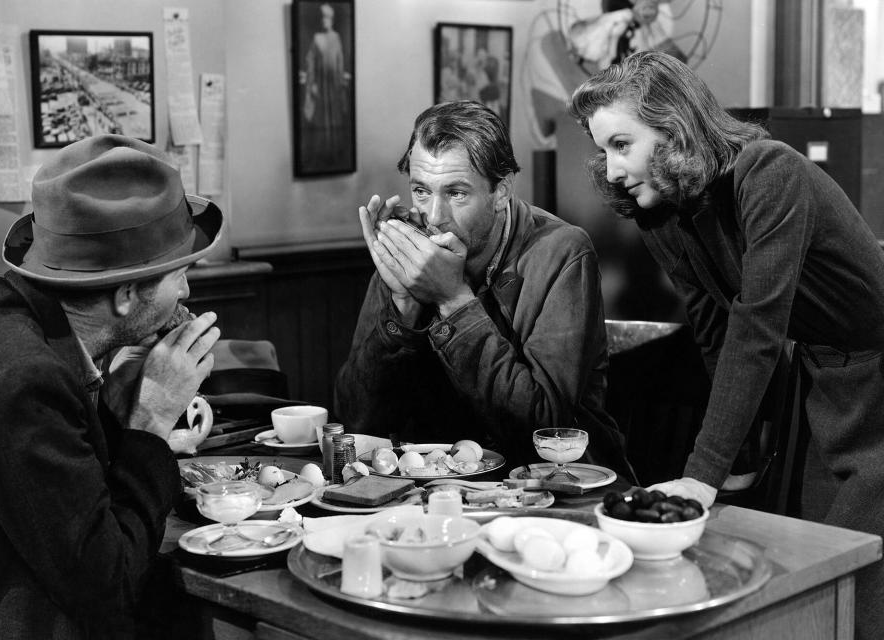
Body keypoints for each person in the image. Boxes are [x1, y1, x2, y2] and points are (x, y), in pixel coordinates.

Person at [569, 50, 884, 638]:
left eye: (621, 144)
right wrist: (735, 458)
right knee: (814, 567)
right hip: (822, 376)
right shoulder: (663, 206)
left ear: (673, 127)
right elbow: (715, 325)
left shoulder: (771, 173)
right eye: (602, 149)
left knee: (859, 579)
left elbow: (758, 325)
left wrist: (702, 474)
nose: (610, 171)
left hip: (877, 381)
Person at [0, 134, 224, 639]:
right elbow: (109, 583)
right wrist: (150, 421)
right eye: (180, 273)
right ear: (128, 294)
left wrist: (111, 406)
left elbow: (54, 502)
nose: (187, 291)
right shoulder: (24, 380)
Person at [334, 100, 635, 481]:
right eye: (421, 191)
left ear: (501, 192)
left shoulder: (562, 251)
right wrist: (402, 307)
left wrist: (452, 299)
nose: (435, 216)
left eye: (457, 193)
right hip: (436, 491)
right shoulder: (410, 248)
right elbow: (356, 420)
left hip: (555, 489)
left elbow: (542, 428)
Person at [300, 2, 352, 170]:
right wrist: (312, 84)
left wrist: (340, 84)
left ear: (331, 19)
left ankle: (335, 153)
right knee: (322, 121)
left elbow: (340, 60)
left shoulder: (336, 37)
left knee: (335, 120)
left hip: (334, 88)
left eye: (327, 17)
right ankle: (321, 154)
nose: (325, 20)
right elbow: (310, 62)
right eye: (322, 17)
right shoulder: (317, 38)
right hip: (322, 89)